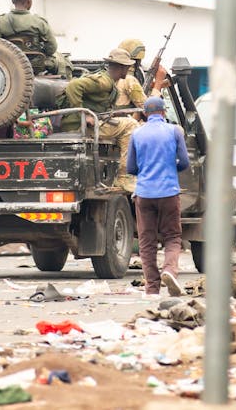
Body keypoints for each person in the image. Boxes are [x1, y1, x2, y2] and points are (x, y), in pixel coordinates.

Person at [126, 96, 189, 298]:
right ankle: (169, 271)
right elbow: (185, 162)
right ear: (164, 113)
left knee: (147, 241)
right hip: (169, 192)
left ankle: (152, 288)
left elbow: (131, 168)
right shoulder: (175, 131)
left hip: (144, 194)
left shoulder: (136, 134)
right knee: (172, 237)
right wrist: (171, 168)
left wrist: (146, 172)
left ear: (145, 114)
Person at [56, 48, 140, 191]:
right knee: (131, 126)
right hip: (79, 125)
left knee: (125, 123)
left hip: (84, 124)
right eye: (127, 66)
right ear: (121, 67)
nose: (128, 69)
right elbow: (73, 86)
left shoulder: (109, 82)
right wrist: (84, 114)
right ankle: (124, 177)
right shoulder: (104, 81)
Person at [0, 0, 71, 77]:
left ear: (13, 1)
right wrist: (41, 51)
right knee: (63, 61)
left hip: (9, 64)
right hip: (36, 65)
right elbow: (52, 48)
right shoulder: (39, 22)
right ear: (29, 1)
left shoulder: (0, 21)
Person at [115, 39, 149, 110]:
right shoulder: (129, 80)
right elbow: (150, 110)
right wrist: (158, 85)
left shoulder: (110, 77)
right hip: (126, 120)